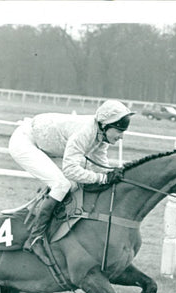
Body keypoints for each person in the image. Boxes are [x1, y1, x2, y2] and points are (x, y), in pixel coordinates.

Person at [8, 99, 134, 264]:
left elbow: (101, 166)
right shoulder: (85, 133)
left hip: (39, 139)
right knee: (62, 185)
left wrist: (113, 173)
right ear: (105, 126)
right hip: (24, 142)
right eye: (119, 131)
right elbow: (70, 170)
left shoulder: (101, 137)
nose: (121, 137)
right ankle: (35, 239)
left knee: (71, 185)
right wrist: (103, 177)